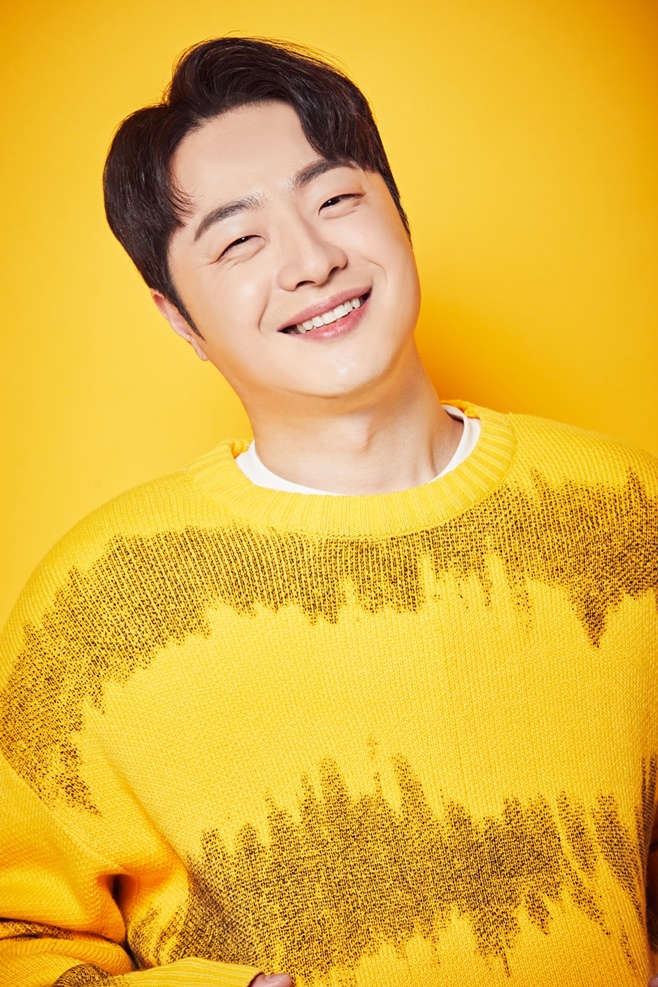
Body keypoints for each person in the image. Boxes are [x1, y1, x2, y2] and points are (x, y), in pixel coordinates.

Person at [1, 35, 657, 987]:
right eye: (240, 241)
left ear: (401, 217)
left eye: (335, 199)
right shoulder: (96, 605)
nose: (311, 261)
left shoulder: (630, 515)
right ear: (178, 317)